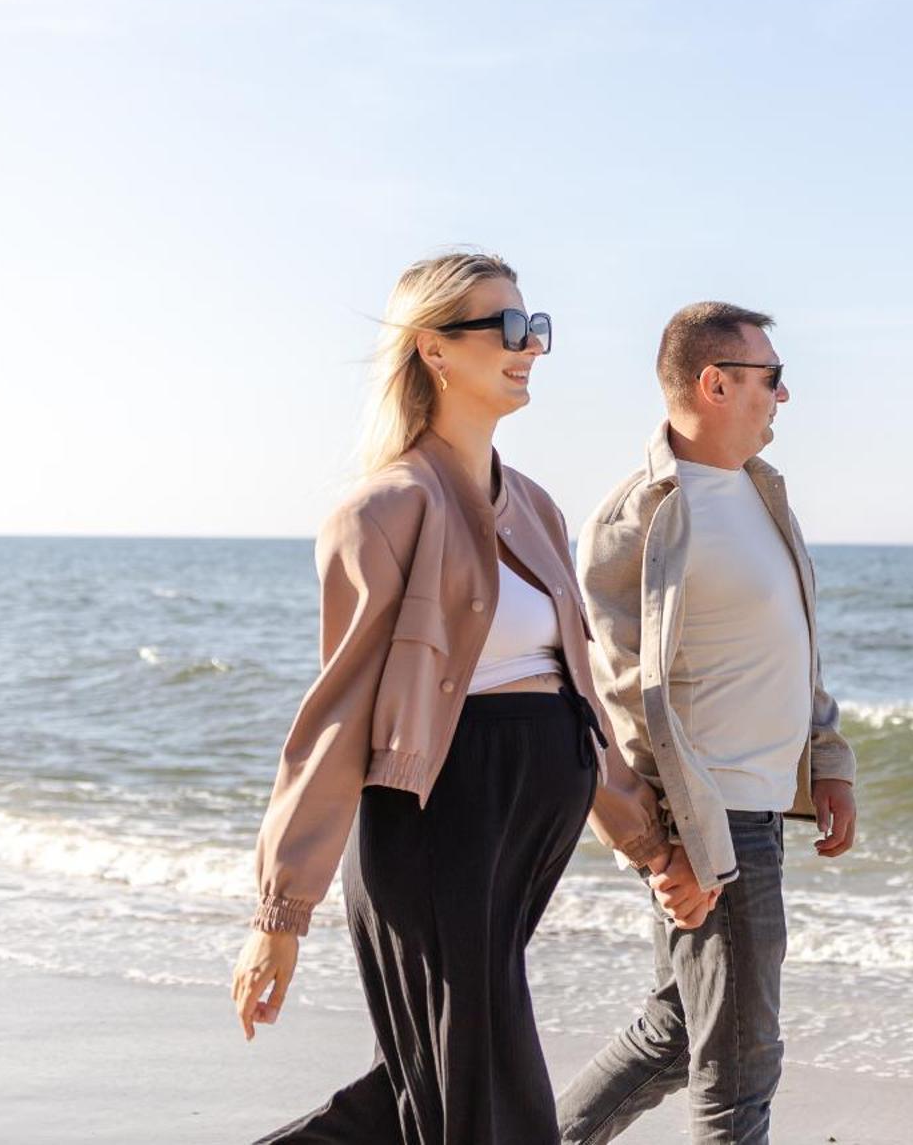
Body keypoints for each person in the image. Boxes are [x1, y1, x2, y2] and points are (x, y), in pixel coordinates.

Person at [231, 253, 699, 1145]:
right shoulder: (381, 512)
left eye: (536, 328)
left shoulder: (534, 506)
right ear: (433, 349)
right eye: (508, 330)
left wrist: (646, 842)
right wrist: (280, 917)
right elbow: (334, 722)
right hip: (437, 829)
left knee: (430, 1087)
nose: (531, 348)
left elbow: (577, 696)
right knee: (493, 1100)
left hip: (518, 843)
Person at [557, 300, 860, 1145]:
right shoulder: (639, 518)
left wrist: (827, 759)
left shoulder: (763, 492)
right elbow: (619, 695)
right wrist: (676, 843)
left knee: (678, 1032)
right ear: (715, 382)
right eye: (773, 377)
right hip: (712, 817)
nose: (785, 397)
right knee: (739, 1070)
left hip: (760, 805)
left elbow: (793, 641)